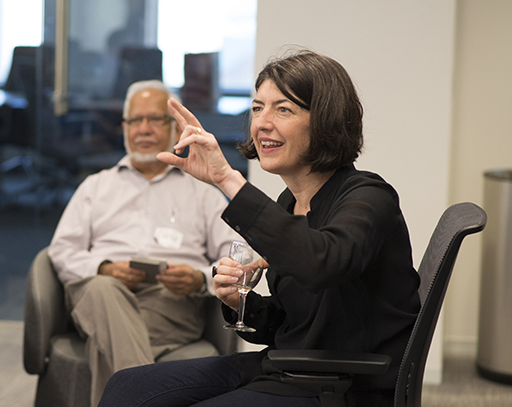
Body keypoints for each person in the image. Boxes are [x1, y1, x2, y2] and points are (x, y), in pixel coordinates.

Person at [98, 50, 421, 407]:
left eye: (283, 110)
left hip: (342, 385)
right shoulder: (288, 203)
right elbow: (290, 324)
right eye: (257, 108)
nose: (262, 123)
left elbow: (322, 263)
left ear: (325, 121)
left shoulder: (369, 196)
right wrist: (240, 301)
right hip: (286, 367)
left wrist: (227, 179)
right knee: (125, 386)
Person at [48, 80, 242, 407]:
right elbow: (61, 250)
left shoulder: (202, 192)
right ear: (124, 127)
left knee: (106, 338)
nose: (144, 128)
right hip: (99, 294)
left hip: (170, 302)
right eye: (135, 120)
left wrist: (199, 278)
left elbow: (235, 256)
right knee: (102, 289)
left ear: (175, 128)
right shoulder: (95, 187)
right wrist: (104, 268)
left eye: (155, 119)